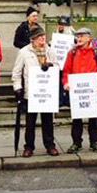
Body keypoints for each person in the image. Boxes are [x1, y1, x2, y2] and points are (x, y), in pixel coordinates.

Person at [11, 26, 60, 157]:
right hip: (31, 92)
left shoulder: (50, 51)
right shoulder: (24, 52)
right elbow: (16, 72)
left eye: (43, 36)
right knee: (30, 123)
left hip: (46, 91)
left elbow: (57, 66)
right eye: (39, 37)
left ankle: (50, 145)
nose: (42, 39)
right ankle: (29, 146)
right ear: (32, 39)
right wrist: (17, 88)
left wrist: (50, 65)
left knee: (48, 121)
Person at [62, 27, 97, 154]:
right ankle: (76, 143)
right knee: (76, 119)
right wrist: (65, 83)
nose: (79, 38)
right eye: (77, 36)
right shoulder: (71, 53)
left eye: (81, 36)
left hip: (93, 91)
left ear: (89, 38)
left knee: (94, 119)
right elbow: (66, 71)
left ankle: (94, 142)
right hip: (77, 92)